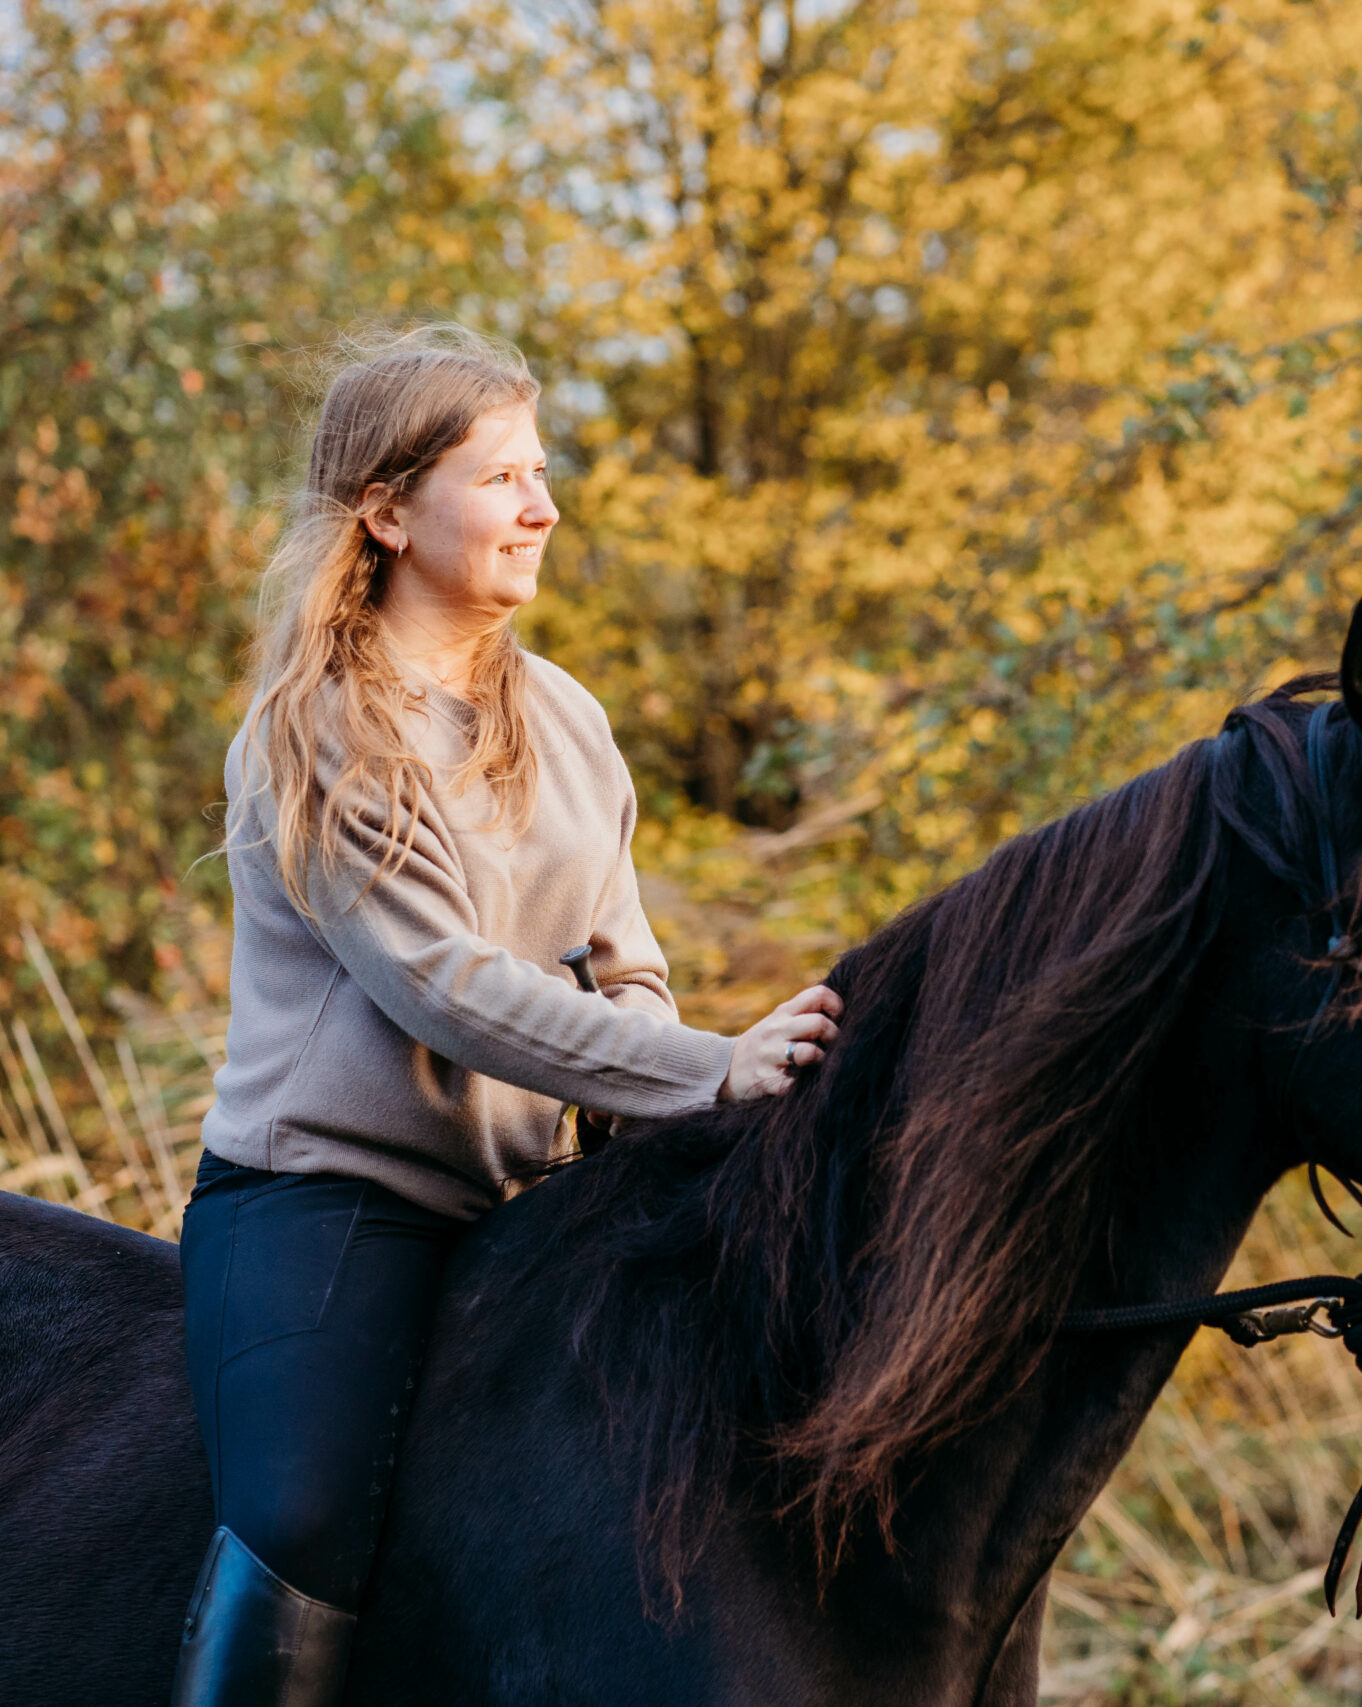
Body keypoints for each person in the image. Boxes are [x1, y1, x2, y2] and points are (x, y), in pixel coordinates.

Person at [172, 324, 840, 1707]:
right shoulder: (321, 729)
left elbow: (622, 962)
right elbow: (449, 991)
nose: (545, 507)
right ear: (389, 511)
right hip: (328, 1204)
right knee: (298, 1518)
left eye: (543, 472)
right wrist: (715, 1070)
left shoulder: (571, 718)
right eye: (503, 478)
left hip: (530, 1200)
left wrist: (666, 1110)